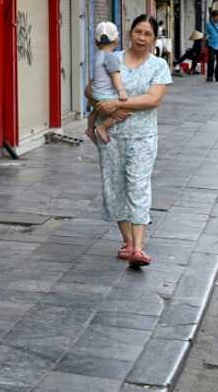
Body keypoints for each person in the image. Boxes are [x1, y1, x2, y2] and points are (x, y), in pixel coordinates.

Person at [86, 15, 172, 267]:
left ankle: (138, 247)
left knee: (138, 186)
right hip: (111, 136)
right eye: (137, 32)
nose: (141, 37)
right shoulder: (113, 57)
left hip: (143, 137)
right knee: (114, 188)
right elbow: (90, 90)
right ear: (129, 33)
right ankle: (127, 242)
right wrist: (107, 109)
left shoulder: (159, 66)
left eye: (147, 33)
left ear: (154, 39)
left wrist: (117, 103)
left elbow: (152, 99)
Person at [85, 21, 129, 144]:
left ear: (95, 42)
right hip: (105, 94)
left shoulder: (96, 55)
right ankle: (102, 127)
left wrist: (89, 100)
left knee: (95, 111)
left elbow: (92, 75)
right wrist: (121, 92)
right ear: (117, 40)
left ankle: (89, 129)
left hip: (95, 91)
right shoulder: (111, 57)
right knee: (120, 113)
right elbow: (115, 76)